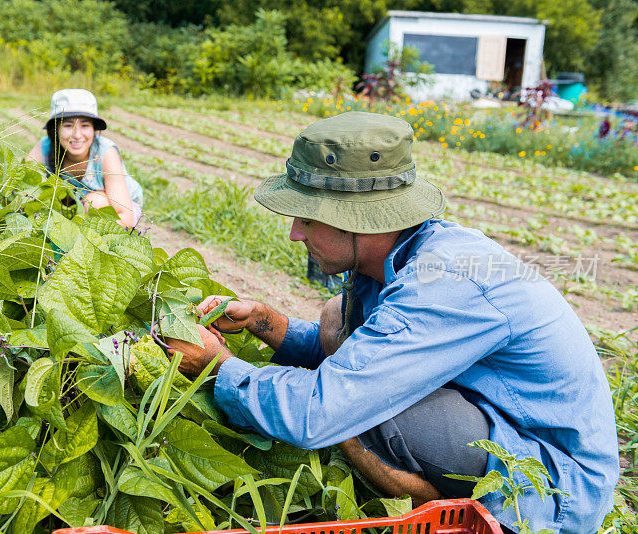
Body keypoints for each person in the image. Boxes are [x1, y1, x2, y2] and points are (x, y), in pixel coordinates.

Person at [166, 112, 619, 533]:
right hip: (499, 419)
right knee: (335, 325)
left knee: (363, 406)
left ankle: (446, 507)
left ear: (357, 220)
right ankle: (387, 461)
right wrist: (267, 323)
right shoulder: (396, 259)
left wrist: (219, 367)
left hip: (553, 485)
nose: (295, 234)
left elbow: (316, 413)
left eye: (307, 218)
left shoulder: (442, 284)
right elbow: (359, 352)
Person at [27, 89, 143, 227]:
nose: (77, 135)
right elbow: (22, 188)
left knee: (94, 202)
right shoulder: (44, 147)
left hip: (116, 209)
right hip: (72, 209)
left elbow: (125, 216)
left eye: (85, 125)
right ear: (55, 129)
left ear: (94, 129)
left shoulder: (105, 152)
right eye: (68, 125)